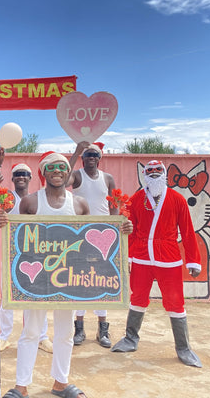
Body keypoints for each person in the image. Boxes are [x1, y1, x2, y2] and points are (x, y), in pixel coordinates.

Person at [0, 151, 132, 398]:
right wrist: (3, 222)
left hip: (69, 280)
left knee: (65, 332)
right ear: (44, 173)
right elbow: (17, 237)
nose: (58, 171)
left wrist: (122, 227)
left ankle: (61, 382)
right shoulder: (30, 202)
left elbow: (94, 235)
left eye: (62, 167)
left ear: (68, 172)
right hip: (37, 279)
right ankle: (21, 386)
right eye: (52, 168)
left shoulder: (80, 204)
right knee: (30, 332)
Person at [111, 160, 202, 367]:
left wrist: (193, 261)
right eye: (149, 171)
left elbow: (187, 231)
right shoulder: (136, 199)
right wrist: (126, 255)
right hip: (141, 257)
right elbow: (129, 231)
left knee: (175, 301)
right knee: (138, 297)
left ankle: (183, 347)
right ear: (144, 175)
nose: (153, 173)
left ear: (164, 174)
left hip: (168, 257)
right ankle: (131, 338)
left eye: (157, 170)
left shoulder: (177, 199)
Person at [0, 151, 52, 354]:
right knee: (6, 297)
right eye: (17, 174)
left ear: (30, 178)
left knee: (36, 297)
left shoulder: (39, 198)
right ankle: (4, 336)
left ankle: (41, 336)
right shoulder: (6, 198)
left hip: (34, 255)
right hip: (11, 254)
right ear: (12, 179)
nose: (20, 176)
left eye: (24, 174)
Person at [66, 141, 117, 348]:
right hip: (80, 235)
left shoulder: (108, 178)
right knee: (79, 281)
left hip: (104, 237)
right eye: (87, 154)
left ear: (100, 157)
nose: (91, 157)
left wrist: (114, 229)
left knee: (101, 283)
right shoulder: (77, 175)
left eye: (94, 154)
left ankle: (102, 329)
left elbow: (114, 205)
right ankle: (79, 328)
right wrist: (76, 151)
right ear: (82, 157)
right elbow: (64, 179)